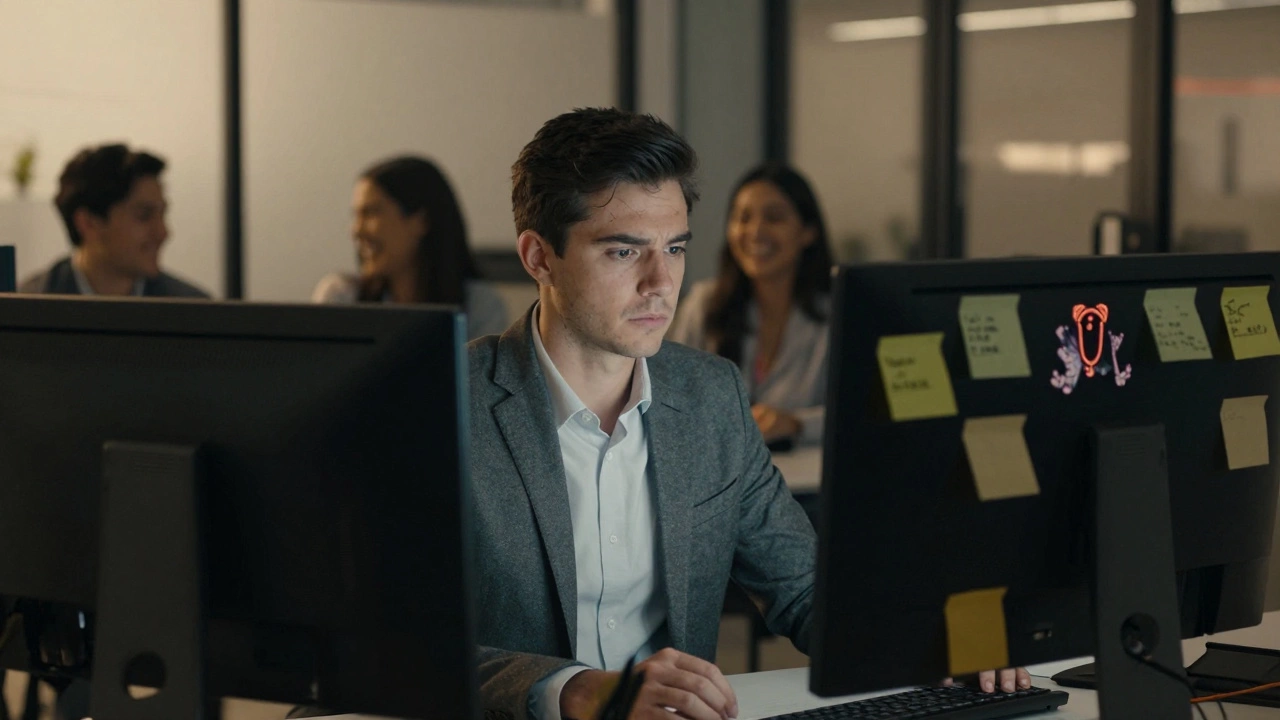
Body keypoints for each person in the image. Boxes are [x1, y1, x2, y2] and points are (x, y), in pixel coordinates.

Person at [469, 108, 1030, 720]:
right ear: (539, 257)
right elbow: (401, 645)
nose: (661, 282)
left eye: (675, 248)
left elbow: (806, 587)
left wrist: (928, 642)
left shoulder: (711, 397)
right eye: (624, 251)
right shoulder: (451, 405)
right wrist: (575, 690)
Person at [667, 164, 832, 446]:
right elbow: (666, 398)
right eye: (743, 218)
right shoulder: (704, 305)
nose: (755, 231)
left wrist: (796, 423)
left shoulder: (836, 316)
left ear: (808, 232)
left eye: (774, 218)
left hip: (805, 472)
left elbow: (861, 416)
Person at [312, 155, 508, 340]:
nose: (356, 231)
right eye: (356, 215)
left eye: (371, 213)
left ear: (420, 220)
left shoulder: (481, 306)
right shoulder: (340, 298)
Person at [20, 143, 209, 298]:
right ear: (88, 223)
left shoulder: (194, 314)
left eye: (162, 214)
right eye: (144, 216)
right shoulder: (25, 311)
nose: (163, 233)